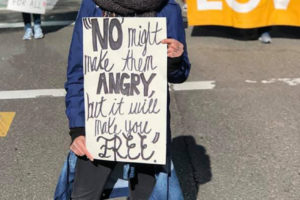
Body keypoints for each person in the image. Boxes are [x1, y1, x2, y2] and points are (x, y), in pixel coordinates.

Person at [64, 0, 191, 199]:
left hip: (147, 127)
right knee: (84, 194)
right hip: (99, 124)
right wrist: (78, 129)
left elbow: (180, 74)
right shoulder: (94, 5)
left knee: (145, 194)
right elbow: (77, 71)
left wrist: (175, 59)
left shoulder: (168, 8)